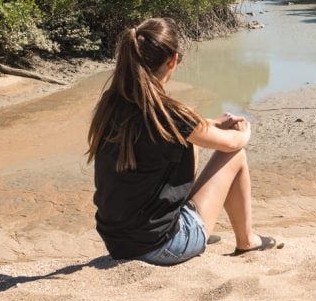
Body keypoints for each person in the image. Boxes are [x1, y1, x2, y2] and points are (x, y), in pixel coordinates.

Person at [87, 17, 278, 265]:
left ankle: (185, 220)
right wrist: (244, 130)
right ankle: (247, 241)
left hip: (117, 243)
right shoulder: (171, 114)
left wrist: (208, 124)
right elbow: (232, 144)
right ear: (173, 61)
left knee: (191, 143)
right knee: (235, 155)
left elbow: (177, 129)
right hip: (161, 246)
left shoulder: (112, 103)